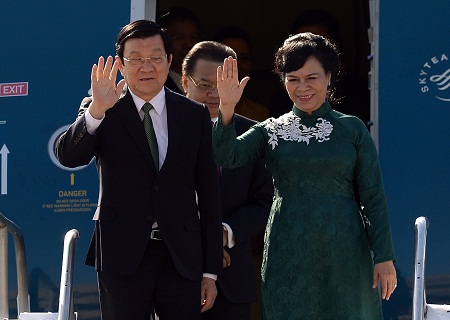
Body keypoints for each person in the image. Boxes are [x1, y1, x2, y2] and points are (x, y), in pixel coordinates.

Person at [213, 32, 397, 319]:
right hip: (288, 248)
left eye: (311, 77)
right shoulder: (270, 129)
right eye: (293, 78)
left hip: (344, 248)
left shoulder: (352, 129)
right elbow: (227, 155)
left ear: (329, 77)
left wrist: (384, 256)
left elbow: (373, 196)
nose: (302, 87)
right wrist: (226, 108)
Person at [54, 20, 222, 320]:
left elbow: (209, 194)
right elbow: (68, 155)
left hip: (180, 255)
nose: (147, 67)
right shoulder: (102, 105)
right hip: (121, 253)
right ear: (120, 63)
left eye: (155, 58)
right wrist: (96, 112)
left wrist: (210, 271)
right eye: (136, 59)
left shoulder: (192, 114)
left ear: (169, 60)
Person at [181, 40, 274, 320]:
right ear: (185, 81)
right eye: (204, 84)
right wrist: (201, 239)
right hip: (176, 272)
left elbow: (264, 200)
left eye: (221, 86)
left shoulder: (254, 134)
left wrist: (222, 233)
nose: (213, 94)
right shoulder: (165, 130)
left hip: (233, 277)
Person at [269, 9, 371, 129]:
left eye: (317, 45)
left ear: (335, 48)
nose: (307, 52)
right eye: (300, 45)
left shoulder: (359, 95)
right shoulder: (282, 100)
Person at [214, 25, 270, 122]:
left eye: (244, 59)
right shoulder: (203, 109)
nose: (238, 66)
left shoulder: (260, 114)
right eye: (229, 59)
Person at [157, 6, 202, 94]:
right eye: (178, 38)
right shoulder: (157, 89)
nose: (188, 44)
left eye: (194, 37)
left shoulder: (211, 86)